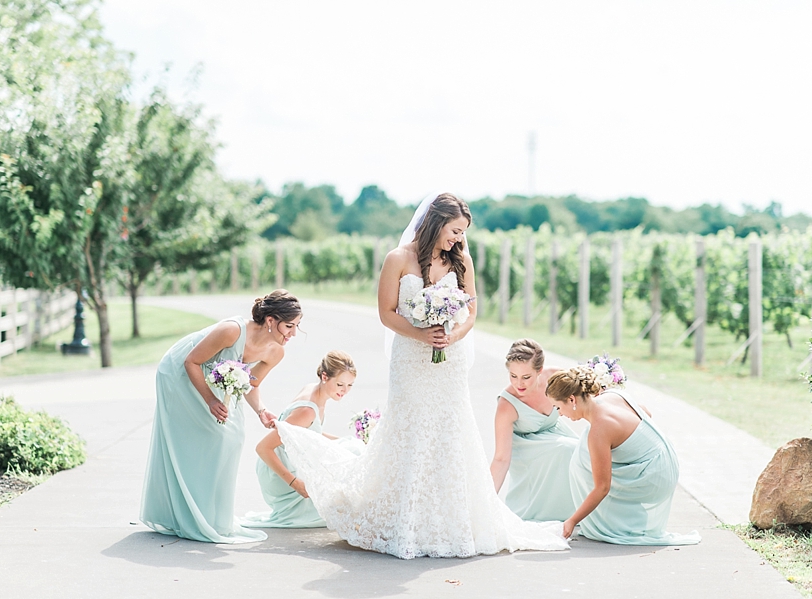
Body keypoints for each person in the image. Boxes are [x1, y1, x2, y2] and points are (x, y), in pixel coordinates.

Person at [277, 192, 568, 559]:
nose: (459, 239)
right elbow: (386, 312)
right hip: (410, 359)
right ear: (436, 222)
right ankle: (405, 518)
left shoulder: (461, 260)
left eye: (463, 232)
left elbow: (472, 312)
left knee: (449, 430)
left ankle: (449, 519)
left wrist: (452, 336)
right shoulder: (397, 259)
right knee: (410, 427)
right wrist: (421, 334)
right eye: (455, 230)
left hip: (451, 358)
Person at [140, 290, 302, 544]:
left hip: (215, 383)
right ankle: (186, 515)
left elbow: (251, 384)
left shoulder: (276, 352)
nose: (293, 334)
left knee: (234, 437)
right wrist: (211, 400)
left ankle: (213, 516)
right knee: (207, 438)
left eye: (297, 327)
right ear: (270, 321)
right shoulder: (232, 331)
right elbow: (191, 361)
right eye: (289, 326)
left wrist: (261, 410)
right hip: (180, 375)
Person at [546, 366, 701, 545]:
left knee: (591, 466)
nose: (559, 414)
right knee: (589, 456)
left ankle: (619, 522)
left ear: (571, 399)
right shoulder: (612, 395)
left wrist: (572, 521)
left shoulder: (599, 429)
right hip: (667, 458)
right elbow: (647, 414)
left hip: (656, 477)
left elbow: (602, 487)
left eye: (558, 407)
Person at [242, 351, 359, 529]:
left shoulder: (316, 390)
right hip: (280, 472)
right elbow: (263, 448)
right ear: (325, 376)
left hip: (292, 459)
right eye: (340, 384)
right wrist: (295, 483)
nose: (345, 391)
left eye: (350, 385)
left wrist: (349, 441)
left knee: (352, 447)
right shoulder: (307, 410)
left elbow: (312, 432)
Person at [490, 339, 579, 521]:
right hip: (527, 449)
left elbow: (589, 397)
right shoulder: (507, 405)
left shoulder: (555, 377)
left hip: (557, 433)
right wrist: (487, 501)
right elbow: (500, 459)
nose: (518, 384)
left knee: (583, 448)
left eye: (526, 377)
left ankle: (581, 511)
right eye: (513, 376)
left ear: (539, 370)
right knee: (566, 448)